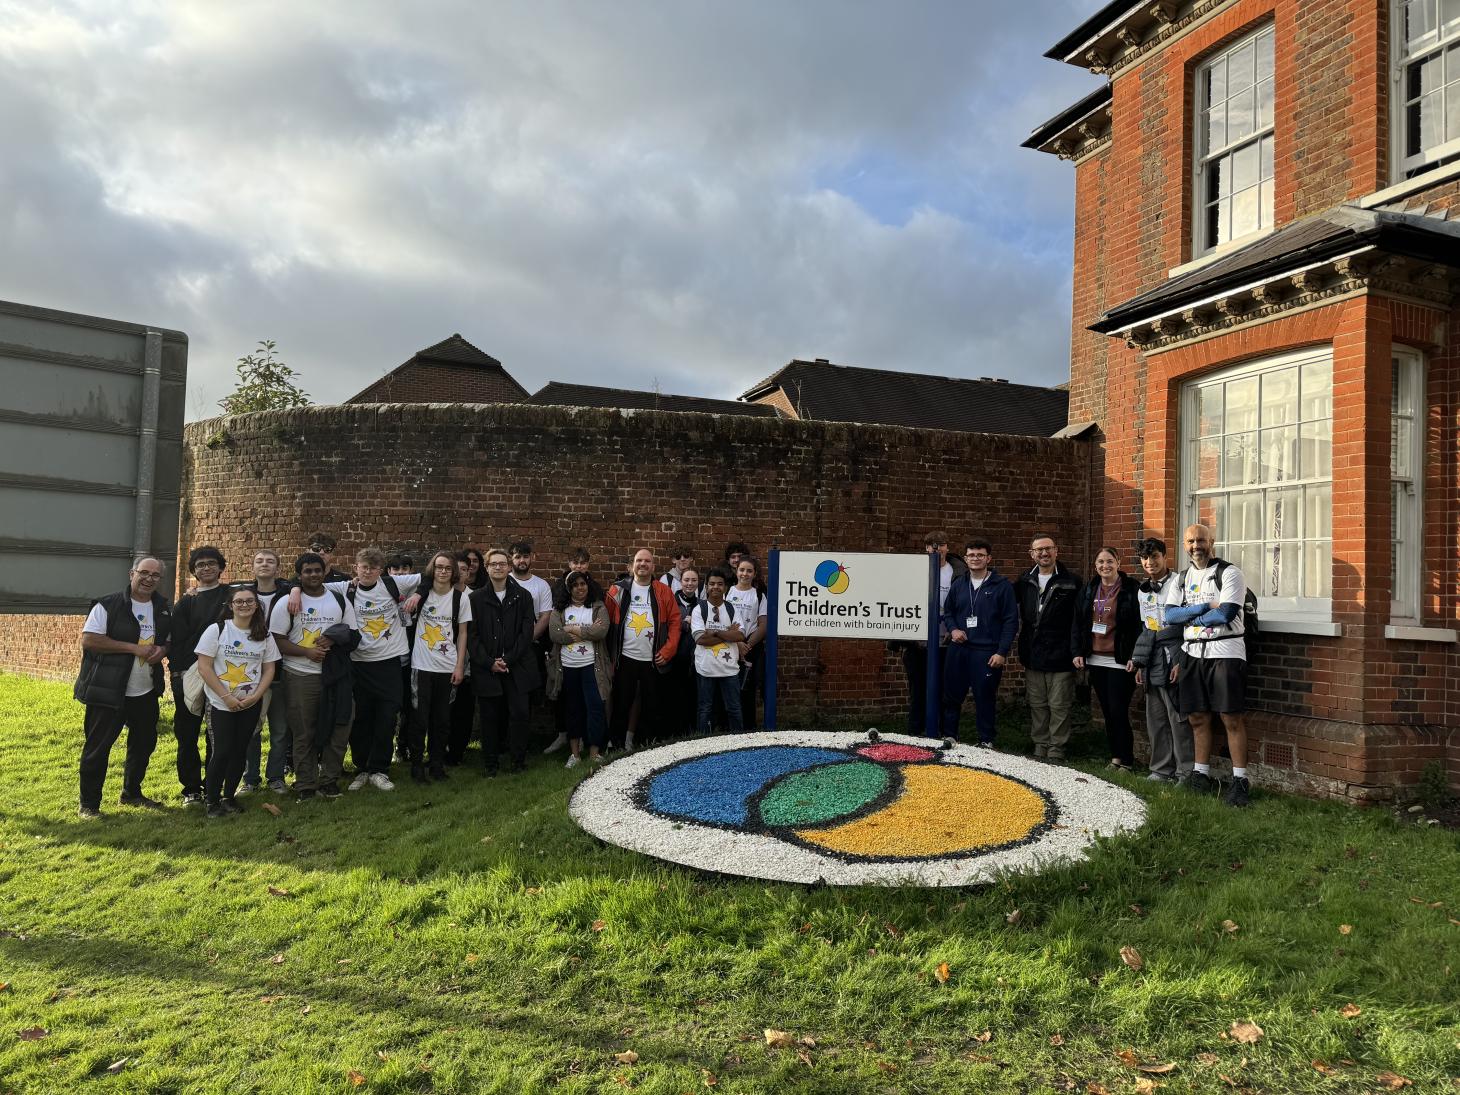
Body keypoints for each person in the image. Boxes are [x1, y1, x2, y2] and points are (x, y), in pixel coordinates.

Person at [298, 547, 420, 793]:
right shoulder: (345, 588)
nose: (368, 572)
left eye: (373, 568)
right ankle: (362, 768)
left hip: (389, 662)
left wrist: (418, 595)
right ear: (356, 567)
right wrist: (292, 589)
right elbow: (309, 584)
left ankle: (379, 770)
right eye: (364, 567)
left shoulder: (392, 584)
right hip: (357, 663)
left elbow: (429, 576)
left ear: (381, 570)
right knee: (360, 719)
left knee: (387, 718)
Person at [74, 556, 173, 818]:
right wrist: (133, 648)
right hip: (108, 691)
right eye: (144, 573)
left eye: (155, 575)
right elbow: (90, 640)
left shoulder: (163, 608)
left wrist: (162, 649)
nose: (149, 579)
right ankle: (89, 804)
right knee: (98, 747)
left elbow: (169, 641)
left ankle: (132, 793)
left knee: (143, 744)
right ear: (132, 574)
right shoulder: (108, 605)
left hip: (145, 691)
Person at [1162, 524, 1252, 807]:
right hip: (1192, 654)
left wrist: (1190, 617)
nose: (1196, 545)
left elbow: (1225, 613)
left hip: (1225, 652)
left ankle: (1240, 781)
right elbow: (1170, 616)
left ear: (1212, 541)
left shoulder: (1230, 573)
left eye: (1201, 540)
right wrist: (1201, 610)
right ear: (1184, 544)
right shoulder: (1182, 577)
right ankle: (1200, 775)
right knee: (1197, 717)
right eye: (1190, 541)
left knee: (1230, 717)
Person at [268, 552, 359, 800]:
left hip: (336, 675)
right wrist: (306, 652)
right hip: (300, 675)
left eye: (317, 570)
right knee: (304, 732)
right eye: (307, 571)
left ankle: (329, 781)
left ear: (325, 572)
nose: (313, 575)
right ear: (300, 575)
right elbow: (276, 640)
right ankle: (306, 784)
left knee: (340, 727)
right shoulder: (286, 602)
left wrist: (333, 638)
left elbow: (353, 634)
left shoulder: (338, 600)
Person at [195, 587, 280, 818]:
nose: (244, 605)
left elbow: (269, 669)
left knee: (239, 751)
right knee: (221, 751)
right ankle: (212, 801)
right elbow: (204, 667)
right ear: (231, 605)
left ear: (256, 606)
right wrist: (227, 697)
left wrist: (256, 696)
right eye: (239, 601)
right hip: (221, 703)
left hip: (250, 704)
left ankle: (229, 797)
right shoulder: (218, 630)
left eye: (249, 601)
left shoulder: (265, 635)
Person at [168, 546, 231, 806]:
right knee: (187, 733)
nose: (206, 568)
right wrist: (181, 674)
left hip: (222, 674)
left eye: (211, 563)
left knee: (217, 734)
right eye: (200, 565)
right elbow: (178, 642)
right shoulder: (186, 602)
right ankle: (191, 788)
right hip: (189, 674)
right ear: (193, 570)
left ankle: (214, 786)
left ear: (220, 566)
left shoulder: (232, 595)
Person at [468, 548, 540, 775]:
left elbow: (526, 632)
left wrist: (507, 659)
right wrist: (489, 662)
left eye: (502, 563)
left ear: (509, 567)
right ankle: (491, 763)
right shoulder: (475, 599)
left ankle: (518, 761)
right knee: (489, 717)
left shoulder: (523, 597)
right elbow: (471, 636)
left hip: (517, 666)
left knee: (519, 714)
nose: (498, 567)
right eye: (493, 564)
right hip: (486, 668)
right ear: (487, 568)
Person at [940, 539, 1018, 748]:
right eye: (971, 555)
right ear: (965, 559)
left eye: (980, 555)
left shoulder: (1002, 586)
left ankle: (986, 740)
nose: (975, 559)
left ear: (988, 558)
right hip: (959, 649)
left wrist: (1002, 652)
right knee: (952, 696)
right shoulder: (958, 584)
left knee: (984, 698)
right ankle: (950, 737)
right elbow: (949, 612)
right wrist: (954, 629)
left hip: (986, 651)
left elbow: (1011, 621)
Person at [1013, 534, 1082, 761]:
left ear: (1056, 551)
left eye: (1048, 549)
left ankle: (1056, 749)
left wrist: (1076, 650)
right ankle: (1040, 745)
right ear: (1031, 554)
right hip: (1033, 654)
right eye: (1039, 550)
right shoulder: (1024, 581)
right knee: (1038, 704)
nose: (1044, 553)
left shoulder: (1072, 582)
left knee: (1059, 705)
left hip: (1061, 654)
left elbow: (1079, 621)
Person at [606, 548, 683, 751]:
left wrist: (668, 651)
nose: (643, 564)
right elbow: (606, 623)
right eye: (639, 560)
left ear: (653, 566)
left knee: (653, 705)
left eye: (647, 561)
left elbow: (675, 622)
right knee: (622, 703)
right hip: (625, 658)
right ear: (632, 565)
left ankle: (649, 746)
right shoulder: (617, 590)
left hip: (654, 659)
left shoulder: (663, 591)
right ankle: (616, 744)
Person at [1072, 547, 1141, 772]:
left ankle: (1128, 760)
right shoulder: (1090, 589)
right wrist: (1078, 651)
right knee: (1107, 712)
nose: (1105, 566)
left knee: (1118, 710)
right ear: (1095, 565)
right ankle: (1116, 758)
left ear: (1118, 562)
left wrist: (1137, 656)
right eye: (1101, 562)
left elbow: (1140, 626)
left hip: (1120, 660)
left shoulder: (1131, 589)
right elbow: (1079, 623)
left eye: (1110, 561)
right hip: (1095, 659)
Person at [1130, 538, 1192, 784]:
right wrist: (1139, 661)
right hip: (1152, 655)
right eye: (1145, 559)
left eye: (1154, 556)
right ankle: (1160, 770)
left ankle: (1185, 772)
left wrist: (1183, 659)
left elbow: (1189, 623)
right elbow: (1146, 627)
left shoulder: (1181, 584)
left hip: (1175, 650)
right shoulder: (1141, 591)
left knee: (1178, 717)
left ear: (1165, 556)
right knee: (1155, 718)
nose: (1149, 562)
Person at [409, 551, 471, 782]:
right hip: (421, 666)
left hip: (447, 667)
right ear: (432, 570)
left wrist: (459, 666)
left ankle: (436, 765)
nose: (443, 572)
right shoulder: (422, 594)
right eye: (439, 567)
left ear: (453, 571)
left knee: (442, 721)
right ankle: (416, 766)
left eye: (447, 568)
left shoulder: (460, 598)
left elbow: (463, 634)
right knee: (419, 719)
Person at [895, 532, 964, 736]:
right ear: (925, 549)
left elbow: (964, 605)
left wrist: (955, 630)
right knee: (918, 692)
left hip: (947, 643)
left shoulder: (959, 572)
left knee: (945, 693)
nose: (936, 549)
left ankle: (944, 735)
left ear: (947, 548)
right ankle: (915, 734)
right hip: (918, 644)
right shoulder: (914, 571)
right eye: (931, 546)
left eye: (940, 545)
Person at [237, 549, 293, 794]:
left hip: (280, 672)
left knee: (280, 729)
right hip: (249, 673)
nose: (264, 565)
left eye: (270, 561)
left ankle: (276, 777)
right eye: (259, 560)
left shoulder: (289, 592)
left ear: (277, 567)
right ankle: (250, 779)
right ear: (252, 566)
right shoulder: (242, 595)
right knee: (251, 729)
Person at [546, 571, 612, 767]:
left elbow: (601, 631)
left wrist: (573, 629)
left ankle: (594, 752)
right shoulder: (560, 609)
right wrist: (587, 633)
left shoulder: (597, 606)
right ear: (569, 588)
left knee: (595, 708)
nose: (580, 588)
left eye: (583, 583)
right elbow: (554, 634)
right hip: (567, 667)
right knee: (573, 709)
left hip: (592, 667)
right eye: (575, 585)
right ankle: (574, 754)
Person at [690, 568, 745, 733]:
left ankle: (739, 743)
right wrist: (728, 633)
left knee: (734, 709)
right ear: (706, 586)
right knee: (705, 709)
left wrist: (715, 632)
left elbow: (740, 635)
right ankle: (703, 743)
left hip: (730, 670)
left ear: (725, 587)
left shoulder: (732, 609)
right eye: (712, 584)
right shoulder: (699, 609)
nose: (716, 587)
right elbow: (700, 639)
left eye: (720, 584)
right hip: (706, 669)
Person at [726, 557, 769, 731]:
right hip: (729, 645)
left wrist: (746, 645)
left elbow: (764, 625)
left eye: (749, 571)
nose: (745, 573)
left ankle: (749, 729)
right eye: (742, 570)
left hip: (751, 647)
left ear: (754, 574)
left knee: (748, 690)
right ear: (736, 571)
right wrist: (737, 644)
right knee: (729, 687)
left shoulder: (759, 595)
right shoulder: (727, 592)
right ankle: (727, 728)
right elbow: (722, 621)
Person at [445, 551, 479, 763]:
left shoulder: (475, 597)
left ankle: (457, 752)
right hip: (441, 659)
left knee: (463, 710)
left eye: (464, 570)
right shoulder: (439, 595)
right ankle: (440, 748)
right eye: (457, 570)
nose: (460, 574)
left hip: (467, 662)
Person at [668, 565, 703, 736]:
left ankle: (692, 732)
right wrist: (684, 623)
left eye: (694, 580)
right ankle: (675, 732)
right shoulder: (671, 602)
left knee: (693, 696)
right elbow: (668, 625)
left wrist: (694, 621)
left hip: (695, 660)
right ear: (680, 582)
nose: (690, 583)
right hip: (676, 658)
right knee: (675, 696)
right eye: (686, 580)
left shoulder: (702, 605)